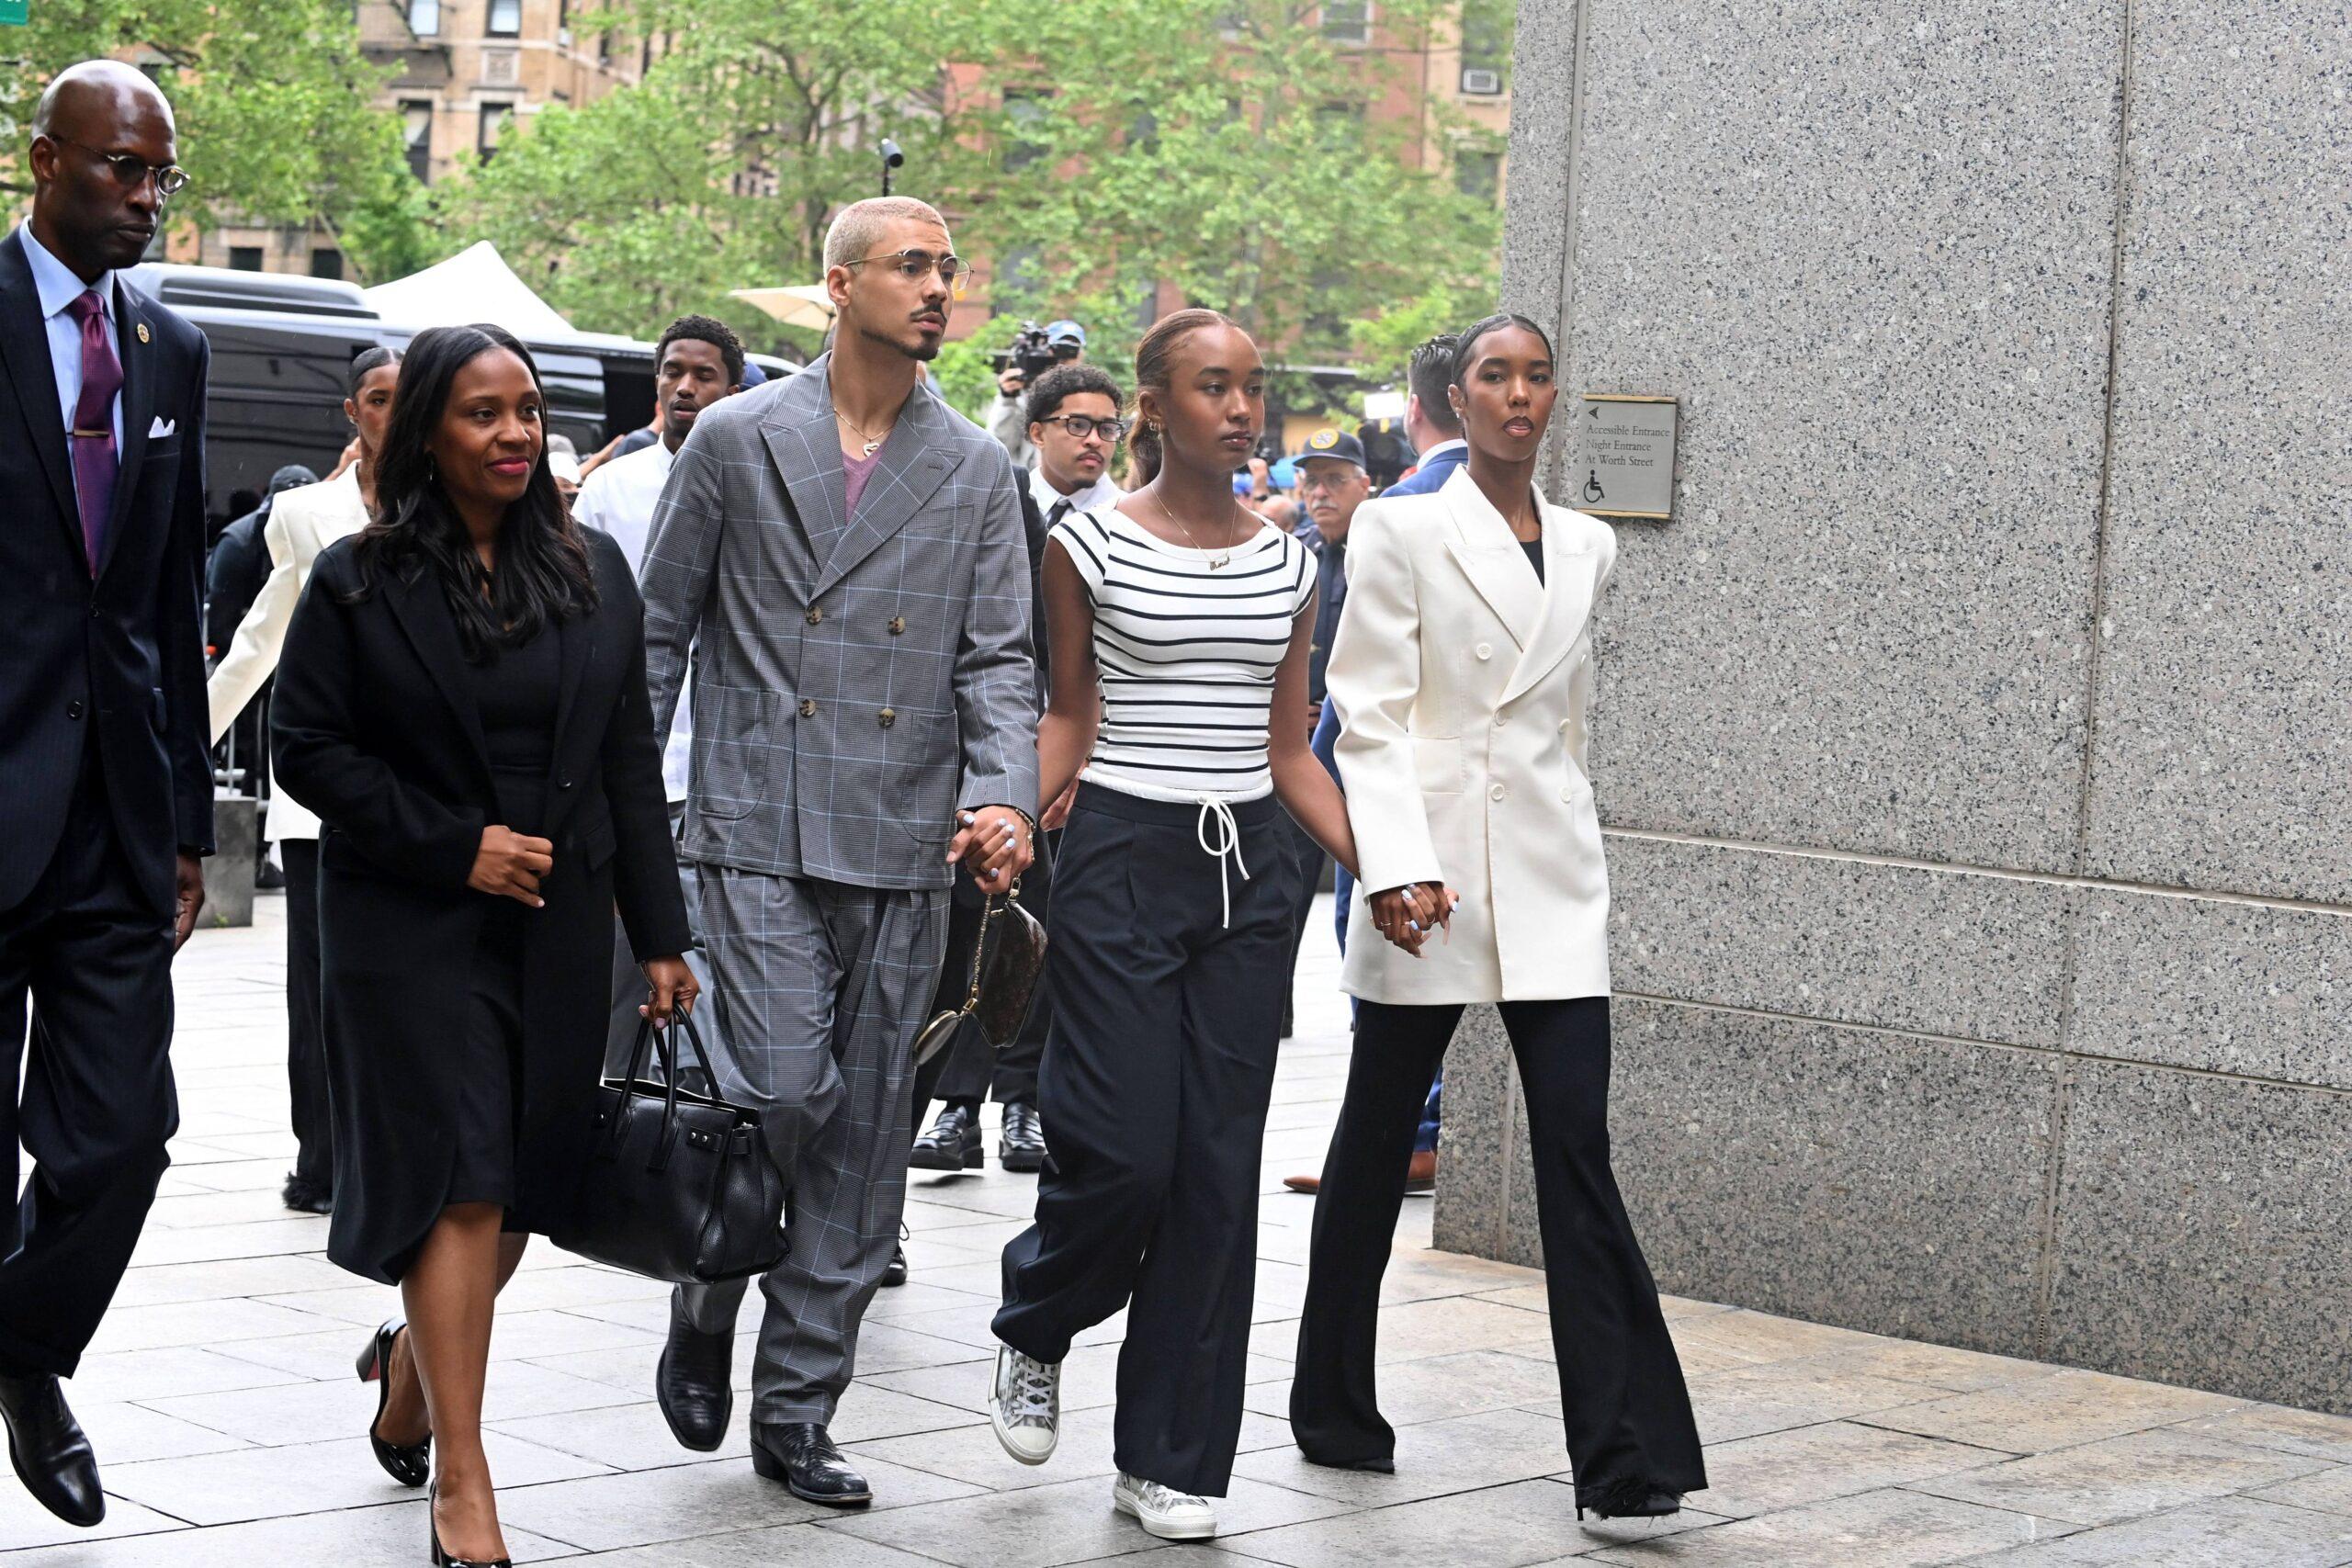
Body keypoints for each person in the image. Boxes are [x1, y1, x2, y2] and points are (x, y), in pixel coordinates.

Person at [987, 310, 1420, 1544]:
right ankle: (1037, 1316)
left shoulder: (1290, 563)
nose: (1241, 410)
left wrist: (1385, 865)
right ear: (1155, 407)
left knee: (1219, 1175)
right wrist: (1007, 808)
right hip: (1122, 854)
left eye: (1252, 388)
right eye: (1213, 388)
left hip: (1253, 875)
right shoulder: (1088, 542)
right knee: (1124, 1152)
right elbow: (1067, 717)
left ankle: (1173, 1454)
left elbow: (1294, 752)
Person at [270, 323, 696, 1567]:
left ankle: (410, 1371)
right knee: (462, 1180)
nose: (516, 433)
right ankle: (466, 1477)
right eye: (482, 413)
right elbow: (310, 749)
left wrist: (660, 936)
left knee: (514, 1197)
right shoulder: (358, 579)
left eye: (528, 409)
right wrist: (457, 843)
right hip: (412, 926)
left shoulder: (597, 574)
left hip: (558, 924)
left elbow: (626, 759)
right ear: (426, 435)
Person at [638, 196, 1037, 1508]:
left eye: (948, 269)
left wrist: (1006, 800)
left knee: (868, 1139)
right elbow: (657, 633)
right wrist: (631, 821)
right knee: (781, 1094)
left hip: (906, 837)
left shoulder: (977, 468)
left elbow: (996, 658)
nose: (939, 288)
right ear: (837, 284)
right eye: (911, 266)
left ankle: (798, 1405)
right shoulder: (739, 438)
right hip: (751, 824)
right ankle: (706, 1293)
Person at [1289, 313, 1706, 1522]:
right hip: (1429, 875)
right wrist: (1394, 864)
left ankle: (1624, 1459)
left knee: (1577, 1146)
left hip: (1551, 876)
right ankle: (1332, 1399)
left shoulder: (1586, 544)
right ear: (1457, 399)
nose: (1518, 396)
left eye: (1536, 377)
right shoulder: (1399, 524)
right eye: (1494, 377)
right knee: (1374, 1143)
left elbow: (1560, 725)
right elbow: (1363, 712)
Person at [0, 61, 212, 1531]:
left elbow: (161, 593)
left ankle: (25, 1348)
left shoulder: (173, 347)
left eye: (159, 176)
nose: (142, 198)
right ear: (41, 161)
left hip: (117, 819)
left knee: (122, 1136)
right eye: (117, 170)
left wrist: (190, 817)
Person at [907, 359, 1120, 1180]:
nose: (1094, 439)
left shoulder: (1128, 526)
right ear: (1037, 432)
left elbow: (1069, 669)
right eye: (1077, 423)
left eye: (1108, 426)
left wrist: (1064, 765)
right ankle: (955, 1109)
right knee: (977, 933)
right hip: (988, 764)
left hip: (1078, 767)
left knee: (1041, 936)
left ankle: (1022, 1100)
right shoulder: (998, 494)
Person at [206, 345, 401, 1215]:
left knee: (398, 986)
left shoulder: (454, 505)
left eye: (408, 396)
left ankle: (389, 1153)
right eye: (377, 398)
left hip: (420, 794)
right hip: (318, 790)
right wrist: (184, 748)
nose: (393, 412)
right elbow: (260, 637)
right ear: (351, 412)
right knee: (318, 985)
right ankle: (319, 1160)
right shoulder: (302, 513)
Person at [1284, 333, 1466, 1196]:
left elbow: (1360, 695)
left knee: (1385, 968)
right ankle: (1409, 1132)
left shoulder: (1401, 511)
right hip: (1477, 787)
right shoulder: (1522, 506)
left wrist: (1318, 782)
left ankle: (1404, 1136)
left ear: (1417, 408)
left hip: (1384, 786)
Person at [573, 314, 746, 1077]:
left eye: (704, 375)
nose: (685, 387)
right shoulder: (611, 490)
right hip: (635, 780)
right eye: (673, 371)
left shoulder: (760, 485)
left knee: (722, 995)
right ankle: (600, 1129)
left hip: (732, 785)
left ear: (733, 389)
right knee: (616, 985)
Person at [1270, 428, 1371, 1038]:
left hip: (1358, 745)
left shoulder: (1381, 550)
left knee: (1358, 892)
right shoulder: (1295, 552)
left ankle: (1367, 1014)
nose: (1321, 492)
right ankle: (1272, 1009)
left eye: (1336, 479)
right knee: (1283, 884)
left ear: (1365, 484)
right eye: (1312, 481)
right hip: (1296, 749)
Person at [985, 317, 1085, 467]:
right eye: (1059, 348)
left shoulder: (1089, 397)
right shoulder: (1024, 394)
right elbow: (998, 445)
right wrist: (1007, 399)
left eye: (1072, 349)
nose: (1065, 357)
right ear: (1045, 349)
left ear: (1081, 355)